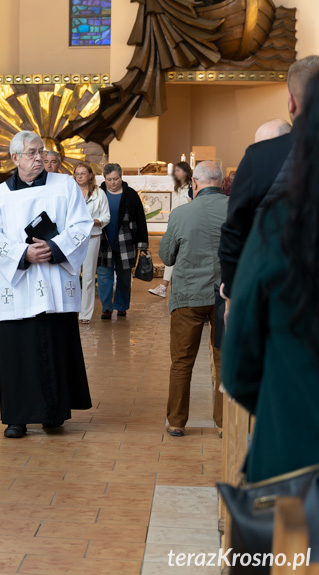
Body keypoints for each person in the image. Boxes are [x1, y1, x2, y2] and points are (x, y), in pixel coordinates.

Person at [223, 73, 319, 482]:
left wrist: (284, 405)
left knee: (292, 547)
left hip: (294, 455)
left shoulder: (279, 226)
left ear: (295, 107)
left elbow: (239, 370)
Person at [0, 130, 93, 438]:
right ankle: (17, 417)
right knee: (18, 349)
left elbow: (82, 225)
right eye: (31, 153)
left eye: (41, 152)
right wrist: (23, 252)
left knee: (56, 344)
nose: (39, 158)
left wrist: (55, 249)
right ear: (14, 158)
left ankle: (53, 414)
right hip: (18, 288)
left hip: (55, 281)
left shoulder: (65, 186)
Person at [219, 55, 319, 300]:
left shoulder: (259, 157)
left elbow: (234, 231)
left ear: (291, 102)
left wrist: (232, 290)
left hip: (277, 295)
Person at [158, 161, 228, 437]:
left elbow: (166, 256)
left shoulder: (181, 213)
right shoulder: (238, 210)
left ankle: (176, 422)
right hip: (227, 295)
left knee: (182, 361)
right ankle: (224, 423)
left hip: (188, 295)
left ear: (195, 184)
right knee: (224, 360)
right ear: (220, 183)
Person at [96, 163, 148, 320]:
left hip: (126, 241)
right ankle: (106, 307)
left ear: (121, 177)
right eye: (109, 179)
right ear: (104, 179)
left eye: (116, 179)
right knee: (104, 276)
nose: (112, 182)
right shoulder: (99, 193)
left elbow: (140, 219)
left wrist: (142, 243)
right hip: (104, 241)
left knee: (124, 276)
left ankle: (121, 306)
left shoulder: (131, 194)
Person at [73, 161, 109, 324]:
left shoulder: (99, 193)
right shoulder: (70, 192)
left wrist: (94, 222)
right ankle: (71, 310)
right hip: (72, 239)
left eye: (83, 173)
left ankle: (85, 314)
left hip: (92, 238)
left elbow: (106, 216)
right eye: (77, 173)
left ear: (90, 175)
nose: (80, 176)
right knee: (71, 275)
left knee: (87, 277)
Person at [149, 161, 192, 298]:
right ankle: (163, 287)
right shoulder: (177, 187)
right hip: (176, 224)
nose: (176, 173)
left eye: (178, 170)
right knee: (170, 253)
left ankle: (169, 287)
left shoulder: (192, 187)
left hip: (187, 225)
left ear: (185, 172)